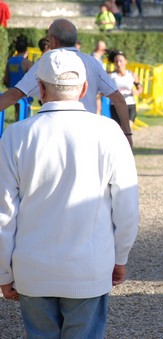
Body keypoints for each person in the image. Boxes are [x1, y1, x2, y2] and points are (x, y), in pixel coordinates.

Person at [0, 49, 139, 338]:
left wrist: (4, 271)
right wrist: (120, 256)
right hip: (89, 267)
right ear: (85, 88)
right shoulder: (109, 132)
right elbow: (126, 205)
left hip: (32, 269)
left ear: (39, 88)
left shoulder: (15, 135)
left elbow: (4, 214)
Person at [0, 19, 133, 145]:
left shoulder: (47, 62)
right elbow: (118, 98)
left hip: (54, 135)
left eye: (47, 39)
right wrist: (127, 133)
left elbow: (15, 95)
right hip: (88, 134)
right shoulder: (92, 62)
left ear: (53, 40)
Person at [108, 50, 142, 128]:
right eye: (116, 61)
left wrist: (137, 91)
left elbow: (139, 87)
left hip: (130, 104)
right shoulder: (111, 75)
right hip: (116, 105)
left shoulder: (132, 74)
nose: (119, 63)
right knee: (119, 129)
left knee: (128, 128)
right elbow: (104, 90)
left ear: (126, 61)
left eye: (120, 61)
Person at [3, 36, 33, 121]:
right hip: (25, 95)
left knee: (17, 116)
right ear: (26, 49)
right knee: (26, 118)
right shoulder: (27, 63)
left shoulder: (10, 61)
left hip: (13, 93)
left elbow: (6, 79)